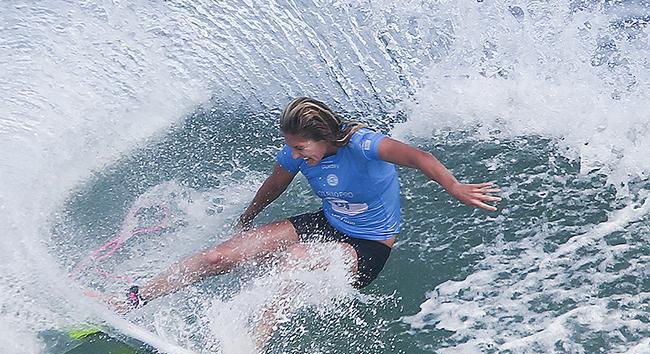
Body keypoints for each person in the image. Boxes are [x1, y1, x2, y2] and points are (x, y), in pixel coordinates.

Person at [117, 97, 501, 326]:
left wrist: (453, 186)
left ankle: (246, 349)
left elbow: (420, 157)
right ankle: (137, 297)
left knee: (297, 261)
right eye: (293, 148)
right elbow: (276, 183)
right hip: (327, 223)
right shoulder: (298, 153)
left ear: (325, 137)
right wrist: (248, 217)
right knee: (221, 254)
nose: (296, 155)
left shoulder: (365, 145)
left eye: (302, 148)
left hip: (369, 245)